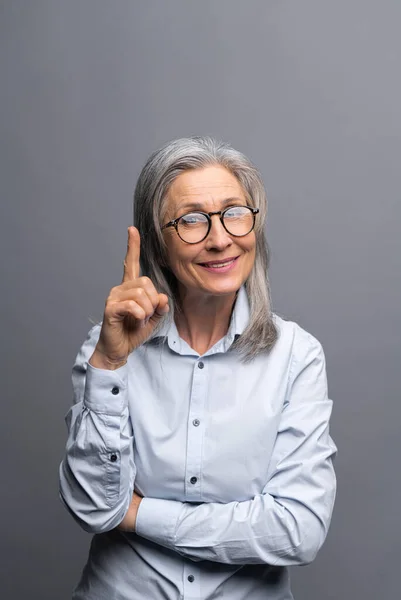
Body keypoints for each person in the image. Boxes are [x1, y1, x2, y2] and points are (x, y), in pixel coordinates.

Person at [59, 136, 337, 600]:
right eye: (191, 220)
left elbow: (297, 529)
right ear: (158, 244)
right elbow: (92, 507)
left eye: (234, 212)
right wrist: (109, 363)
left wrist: (138, 514)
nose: (220, 238)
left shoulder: (296, 355)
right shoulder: (109, 348)